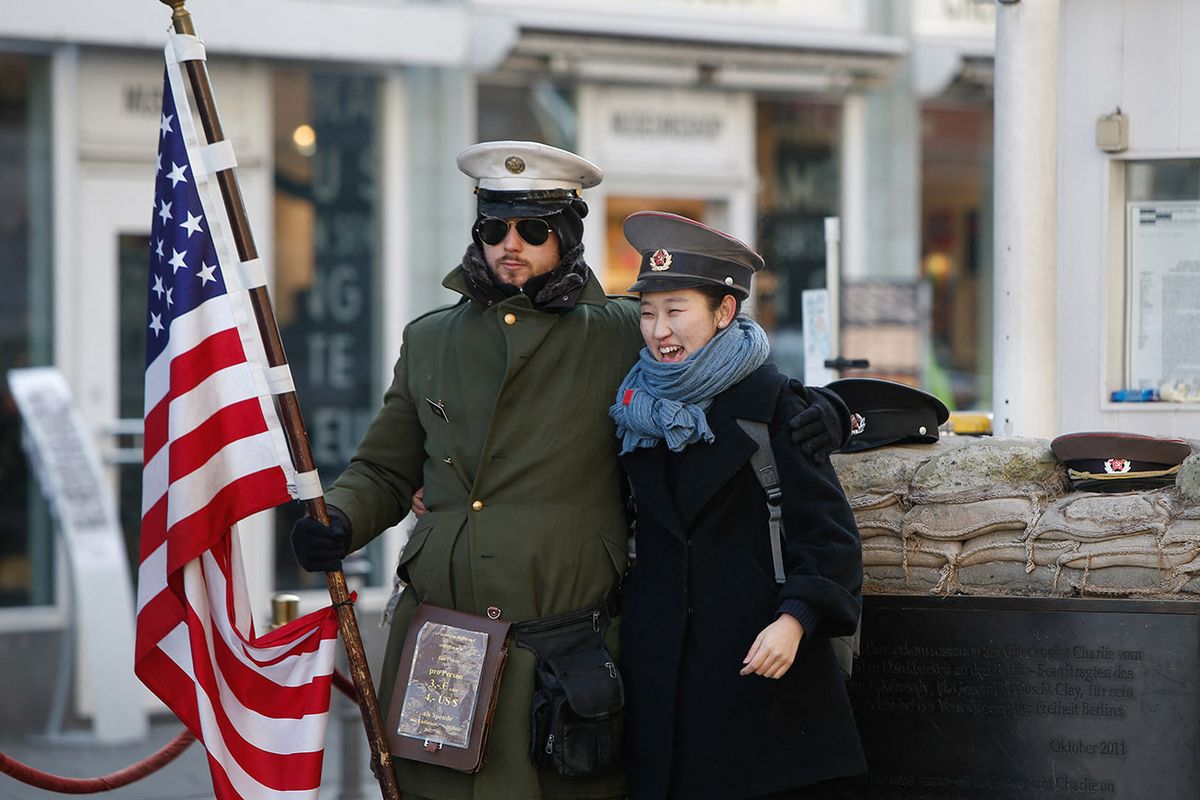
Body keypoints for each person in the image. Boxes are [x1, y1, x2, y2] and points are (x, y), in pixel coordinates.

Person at [289, 141, 850, 800]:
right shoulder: (430, 339)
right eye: (493, 228)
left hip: (565, 651)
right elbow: (384, 467)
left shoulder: (617, 332)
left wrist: (834, 411)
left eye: (532, 229)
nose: (511, 244)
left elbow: (721, 365)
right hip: (445, 640)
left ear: (567, 234)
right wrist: (341, 517)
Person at [612, 211, 866, 800]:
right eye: (648, 313)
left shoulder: (775, 405)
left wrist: (794, 620)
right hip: (658, 685)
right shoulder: (631, 410)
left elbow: (828, 537)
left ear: (723, 313)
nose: (658, 331)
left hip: (761, 684)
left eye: (676, 311)